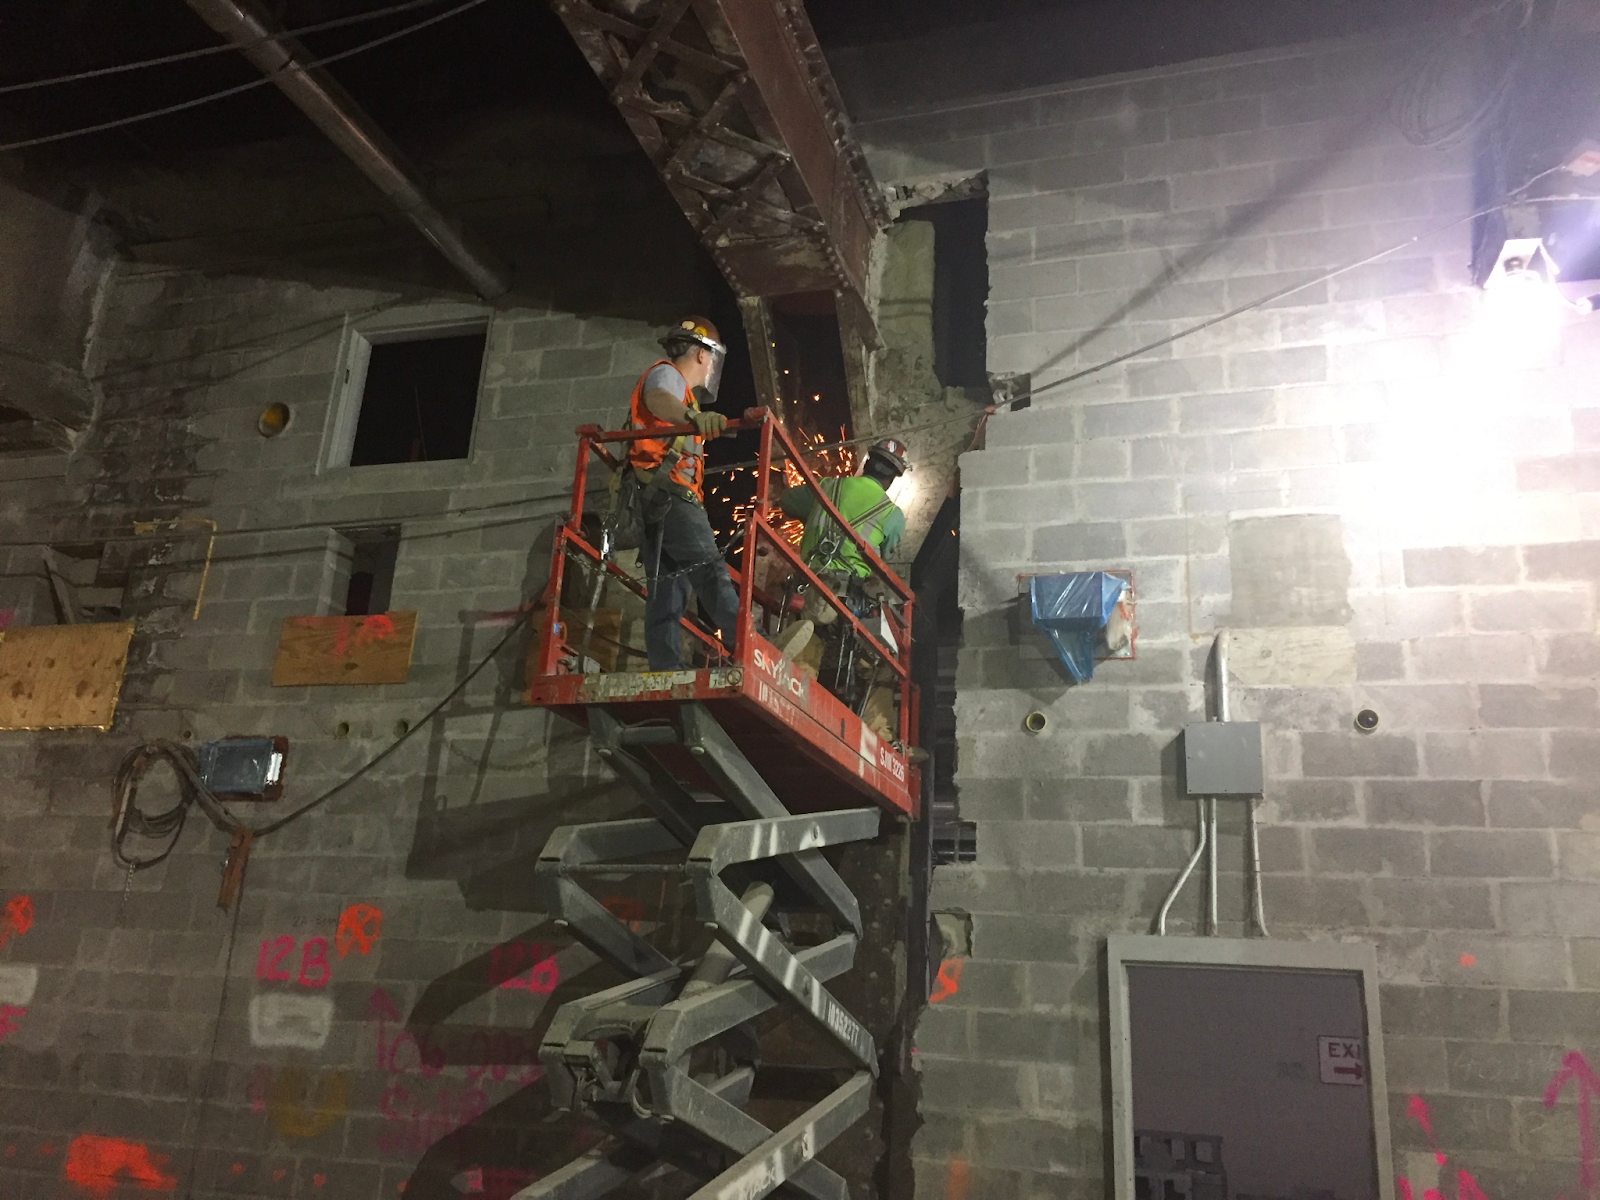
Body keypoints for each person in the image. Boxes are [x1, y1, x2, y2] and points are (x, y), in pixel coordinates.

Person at [630, 316, 738, 670]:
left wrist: (690, 413)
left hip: (654, 498)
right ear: (703, 355)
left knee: (667, 592)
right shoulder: (668, 377)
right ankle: (750, 643)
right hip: (670, 495)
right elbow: (657, 398)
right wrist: (692, 416)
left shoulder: (683, 393)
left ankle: (666, 668)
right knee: (710, 570)